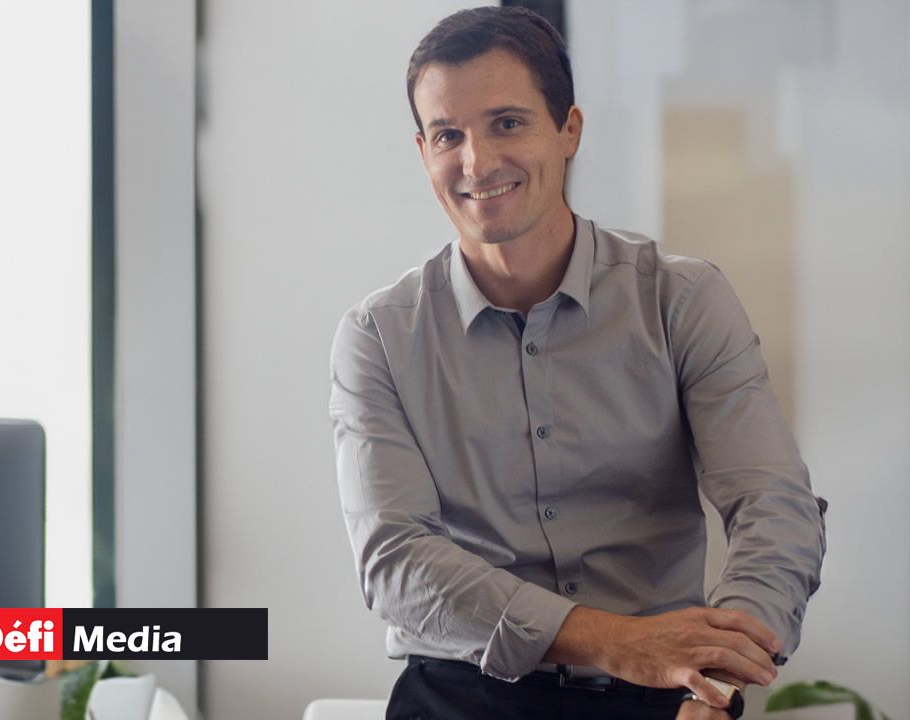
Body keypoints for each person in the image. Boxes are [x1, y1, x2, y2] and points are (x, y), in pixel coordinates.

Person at [328, 7, 827, 719]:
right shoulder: (377, 336)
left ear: (569, 130)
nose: (477, 163)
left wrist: (717, 675)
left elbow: (774, 506)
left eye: (507, 123)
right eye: (448, 135)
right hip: (461, 696)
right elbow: (396, 562)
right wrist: (617, 642)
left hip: (666, 692)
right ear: (423, 151)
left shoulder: (682, 300)